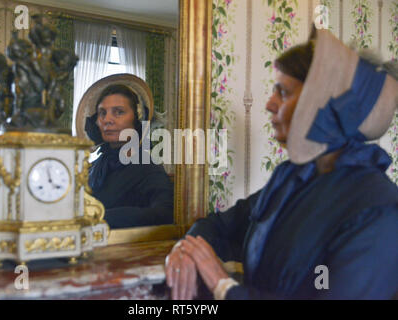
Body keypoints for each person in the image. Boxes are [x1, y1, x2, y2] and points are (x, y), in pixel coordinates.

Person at [165, 28, 398, 300]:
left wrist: (223, 286)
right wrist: (185, 250)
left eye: (284, 93)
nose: (269, 104)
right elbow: (218, 226)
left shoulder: (378, 210)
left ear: (324, 105)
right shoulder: (291, 178)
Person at [77, 74, 174, 229]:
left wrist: (101, 216)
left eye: (119, 112)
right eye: (102, 113)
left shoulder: (147, 167)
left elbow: (164, 213)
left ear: (137, 120)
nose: (107, 119)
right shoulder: (94, 167)